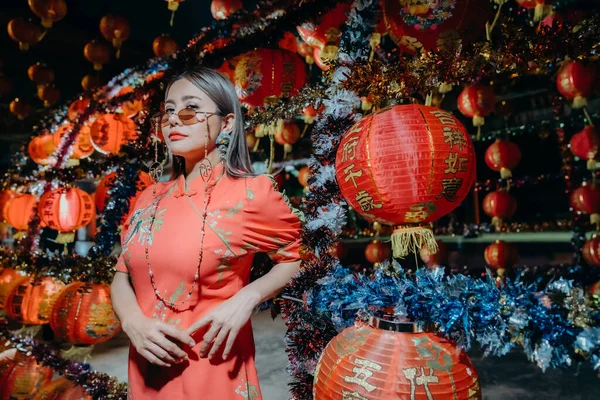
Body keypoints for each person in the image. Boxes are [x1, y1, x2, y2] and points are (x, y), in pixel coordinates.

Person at [110, 67, 303, 399]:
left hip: (213, 372)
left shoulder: (251, 193)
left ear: (226, 123)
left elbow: (303, 255)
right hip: (146, 373)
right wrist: (132, 322)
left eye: (190, 109)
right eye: (168, 111)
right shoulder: (148, 198)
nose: (174, 119)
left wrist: (248, 298)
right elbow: (122, 275)